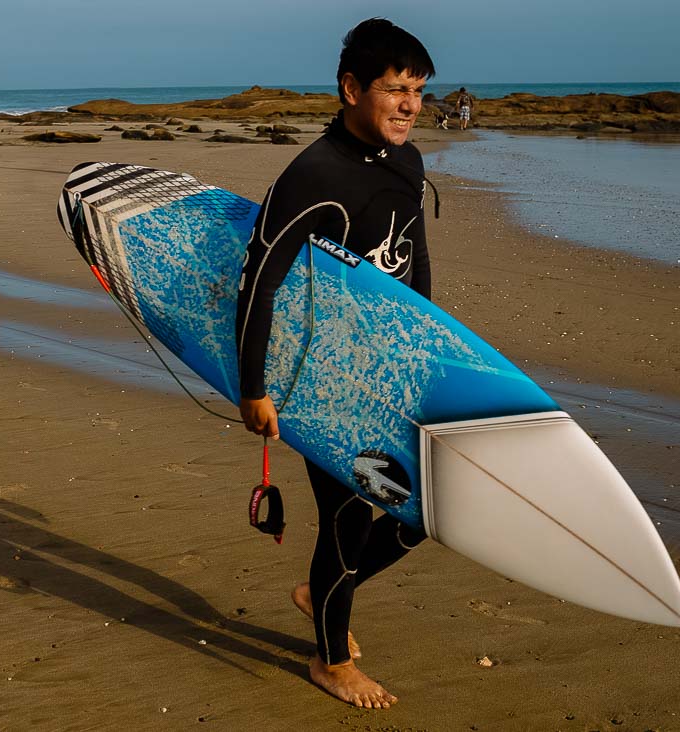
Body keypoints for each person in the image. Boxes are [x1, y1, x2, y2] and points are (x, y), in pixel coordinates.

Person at [235, 17, 434, 709]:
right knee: (350, 516)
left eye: (419, 90)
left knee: (421, 515)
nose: (410, 104)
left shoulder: (407, 163)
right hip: (321, 379)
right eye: (396, 88)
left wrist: (428, 348)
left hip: (388, 374)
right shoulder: (311, 176)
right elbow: (258, 280)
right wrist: (254, 389)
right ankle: (329, 660)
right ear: (352, 87)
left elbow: (415, 263)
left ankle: (320, 593)